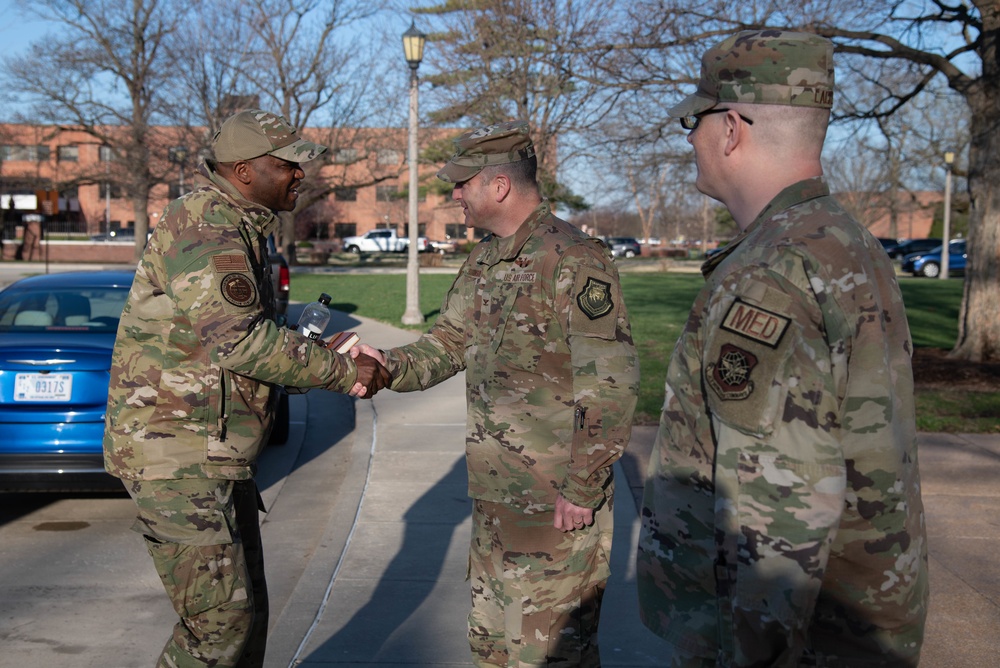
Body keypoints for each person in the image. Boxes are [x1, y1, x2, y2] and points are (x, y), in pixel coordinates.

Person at [635, 31, 929, 667]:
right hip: (852, 623)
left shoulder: (773, 273)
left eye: (696, 119)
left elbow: (776, 516)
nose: (690, 138)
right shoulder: (843, 242)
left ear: (733, 128)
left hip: (793, 642)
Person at [104, 108, 390, 668]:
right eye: (288, 164)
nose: (298, 175)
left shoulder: (238, 223)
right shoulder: (206, 226)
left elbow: (233, 343)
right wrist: (343, 373)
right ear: (243, 170)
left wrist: (315, 355)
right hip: (178, 455)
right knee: (218, 626)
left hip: (215, 455)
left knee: (246, 617)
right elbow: (240, 342)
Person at [351, 120, 640, 667]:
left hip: (555, 505)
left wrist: (582, 487)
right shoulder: (484, 259)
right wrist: (387, 367)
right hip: (495, 501)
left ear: (500, 186)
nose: (454, 195)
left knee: (552, 653)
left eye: (462, 183)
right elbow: (450, 342)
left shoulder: (575, 259)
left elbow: (611, 384)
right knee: (493, 649)